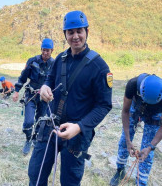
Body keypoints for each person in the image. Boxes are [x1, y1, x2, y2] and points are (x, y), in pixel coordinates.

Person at [28, 10, 112, 186]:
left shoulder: (99, 67)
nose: (75, 36)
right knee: (36, 174)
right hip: (49, 126)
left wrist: (79, 127)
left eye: (79, 31)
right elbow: (50, 78)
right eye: (70, 32)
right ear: (65, 34)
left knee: (70, 182)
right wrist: (44, 86)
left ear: (86, 32)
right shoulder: (61, 58)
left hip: (76, 134)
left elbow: (104, 105)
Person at [110, 73, 162, 186]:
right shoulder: (133, 85)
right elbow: (125, 111)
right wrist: (128, 141)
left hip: (155, 115)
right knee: (124, 140)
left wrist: (150, 146)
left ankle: (141, 182)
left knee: (147, 153)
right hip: (137, 106)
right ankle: (119, 170)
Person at [13, 38, 54, 155]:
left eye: (48, 50)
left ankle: (35, 138)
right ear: (41, 49)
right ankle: (28, 140)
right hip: (31, 95)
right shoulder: (32, 61)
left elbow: (56, 82)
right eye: (44, 50)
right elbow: (23, 77)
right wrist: (16, 91)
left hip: (44, 97)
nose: (45, 53)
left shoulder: (54, 64)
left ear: (52, 51)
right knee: (28, 121)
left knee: (41, 120)